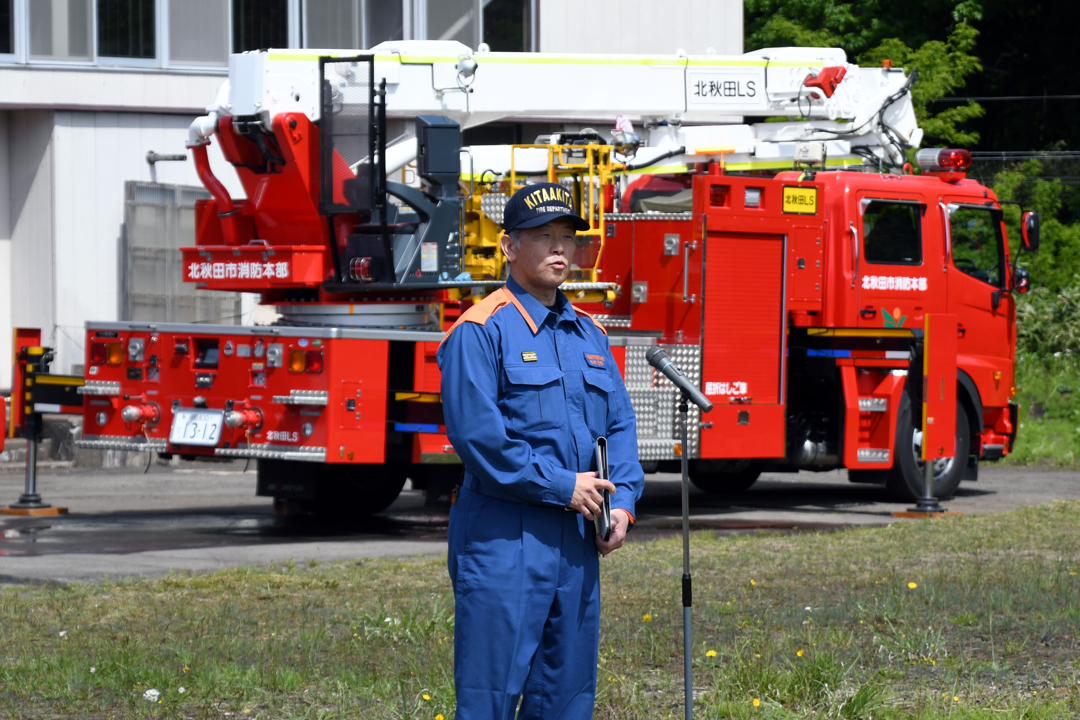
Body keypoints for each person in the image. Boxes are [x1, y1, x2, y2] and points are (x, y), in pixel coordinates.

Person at [437, 182, 645, 719]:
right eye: (543, 237)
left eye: (567, 238)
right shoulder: (481, 330)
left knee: (567, 695)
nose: (559, 248)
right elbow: (480, 439)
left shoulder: (589, 335)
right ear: (508, 247)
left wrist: (621, 503)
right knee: (491, 697)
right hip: (505, 534)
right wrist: (562, 485)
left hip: (577, 539)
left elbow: (619, 426)